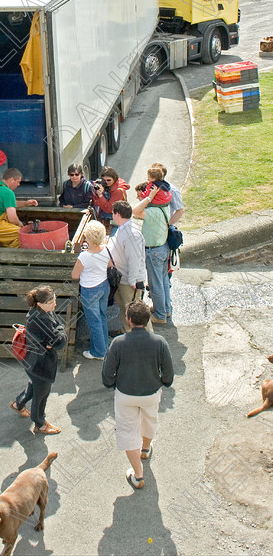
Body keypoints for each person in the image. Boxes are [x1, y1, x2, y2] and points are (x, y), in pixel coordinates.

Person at [101, 299, 174, 490]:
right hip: (151, 391)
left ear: (128, 319)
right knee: (150, 420)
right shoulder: (160, 342)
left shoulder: (118, 343)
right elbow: (168, 372)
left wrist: (112, 384)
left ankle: (138, 475)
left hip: (126, 393)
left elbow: (107, 374)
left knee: (127, 431)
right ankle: (145, 448)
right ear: (148, 318)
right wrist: (163, 383)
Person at [10, 285, 67, 434]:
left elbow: (59, 329)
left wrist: (58, 333)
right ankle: (40, 423)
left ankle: (19, 403)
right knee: (41, 393)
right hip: (40, 364)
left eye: (54, 300)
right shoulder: (42, 319)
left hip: (32, 361)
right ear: (41, 304)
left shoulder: (41, 312)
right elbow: (59, 341)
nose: (54, 304)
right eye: (51, 302)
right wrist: (59, 334)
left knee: (35, 385)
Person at [108, 201, 152, 334]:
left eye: (113, 213)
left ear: (118, 214)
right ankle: (127, 331)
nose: (112, 215)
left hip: (129, 281)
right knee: (125, 309)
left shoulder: (132, 233)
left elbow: (135, 260)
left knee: (137, 312)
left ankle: (148, 337)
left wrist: (133, 281)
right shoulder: (123, 229)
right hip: (122, 278)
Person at [71, 221, 110, 360]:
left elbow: (75, 275)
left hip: (89, 290)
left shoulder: (84, 256)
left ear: (88, 238)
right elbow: (110, 264)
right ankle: (104, 346)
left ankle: (99, 352)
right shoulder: (106, 249)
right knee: (102, 317)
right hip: (104, 285)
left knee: (94, 322)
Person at [132, 183, 170, 325]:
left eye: (140, 195)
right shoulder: (164, 206)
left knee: (155, 285)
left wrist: (148, 197)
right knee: (163, 281)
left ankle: (160, 316)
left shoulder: (150, 211)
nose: (137, 197)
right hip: (163, 248)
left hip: (153, 251)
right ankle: (166, 309)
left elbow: (135, 211)